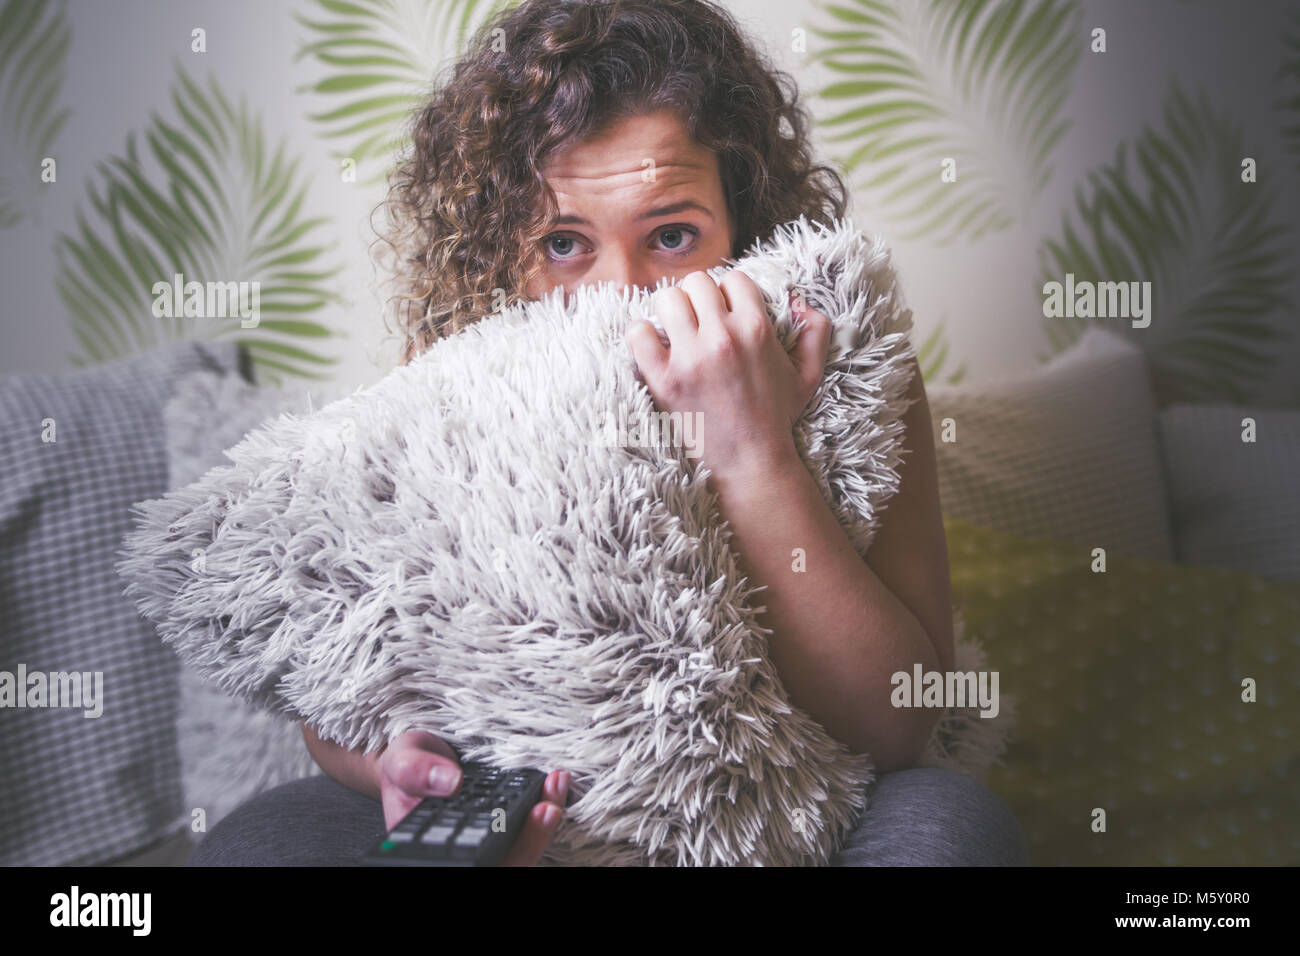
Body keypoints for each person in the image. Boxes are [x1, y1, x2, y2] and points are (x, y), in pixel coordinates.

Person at [191, 0, 1028, 867]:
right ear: (493, 248)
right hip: (541, 814)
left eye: (672, 235)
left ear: (744, 223)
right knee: (261, 839)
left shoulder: (841, 362)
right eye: (562, 243)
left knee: (948, 825)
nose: (621, 296)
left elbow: (898, 720)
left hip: (791, 812)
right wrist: (394, 767)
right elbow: (343, 682)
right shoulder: (446, 375)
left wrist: (754, 456)